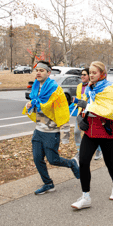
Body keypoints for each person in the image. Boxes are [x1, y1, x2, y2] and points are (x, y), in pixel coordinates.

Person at [23, 61, 80, 195]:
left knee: (53, 160)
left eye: (42, 70)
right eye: (37, 70)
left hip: (51, 131)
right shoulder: (36, 87)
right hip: (38, 130)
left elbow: (63, 112)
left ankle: (72, 163)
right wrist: (29, 105)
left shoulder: (55, 89)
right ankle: (48, 184)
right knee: (37, 158)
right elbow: (35, 104)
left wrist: (65, 134)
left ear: (48, 73)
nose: (38, 72)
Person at [71, 61, 113, 209]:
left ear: (102, 74)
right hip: (90, 131)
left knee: (109, 162)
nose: (91, 75)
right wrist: (80, 118)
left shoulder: (109, 88)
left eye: (94, 73)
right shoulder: (88, 88)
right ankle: (85, 197)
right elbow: (84, 105)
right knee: (84, 161)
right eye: (90, 73)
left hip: (107, 131)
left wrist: (87, 106)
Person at [70, 68, 102, 161]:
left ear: (89, 76)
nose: (82, 76)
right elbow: (80, 99)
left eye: (84, 74)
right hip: (80, 113)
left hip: (90, 113)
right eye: (81, 74)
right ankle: (80, 151)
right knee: (76, 132)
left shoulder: (94, 86)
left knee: (92, 135)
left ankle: (99, 150)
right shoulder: (79, 86)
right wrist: (73, 103)